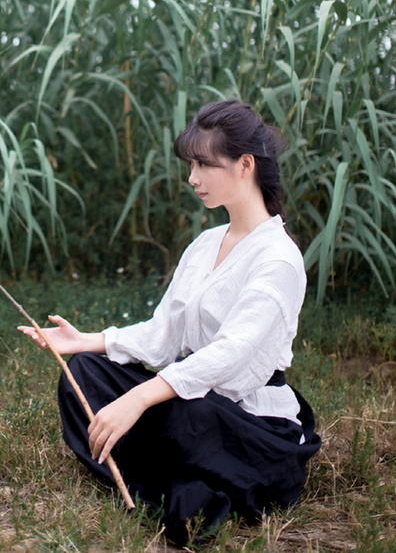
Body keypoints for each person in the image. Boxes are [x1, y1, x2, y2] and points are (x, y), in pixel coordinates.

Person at [18, 99, 321, 546]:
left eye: (203, 164)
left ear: (245, 165)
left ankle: (170, 484)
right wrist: (88, 341)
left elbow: (230, 356)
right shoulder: (205, 243)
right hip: (192, 401)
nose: (192, 178)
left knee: (186, 410)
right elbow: (165, 332)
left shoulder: (278, 257)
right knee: (82, 375)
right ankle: (176, 483)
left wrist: (138, 398)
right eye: (191, 164)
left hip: (246, 423)